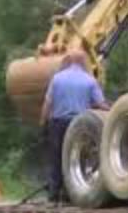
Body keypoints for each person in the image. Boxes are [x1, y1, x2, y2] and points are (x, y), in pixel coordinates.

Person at [41, 50, 109, 203]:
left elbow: (48, 103)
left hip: (58, 123)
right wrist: (114, 110)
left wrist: (43, 122)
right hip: (79, 126)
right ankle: (70, 194)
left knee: (56, 158)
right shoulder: (89, 80)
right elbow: (100, 104)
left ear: (69, 61)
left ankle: (54, 194)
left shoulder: (57, 79)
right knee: (75, 158)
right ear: (83, 62)